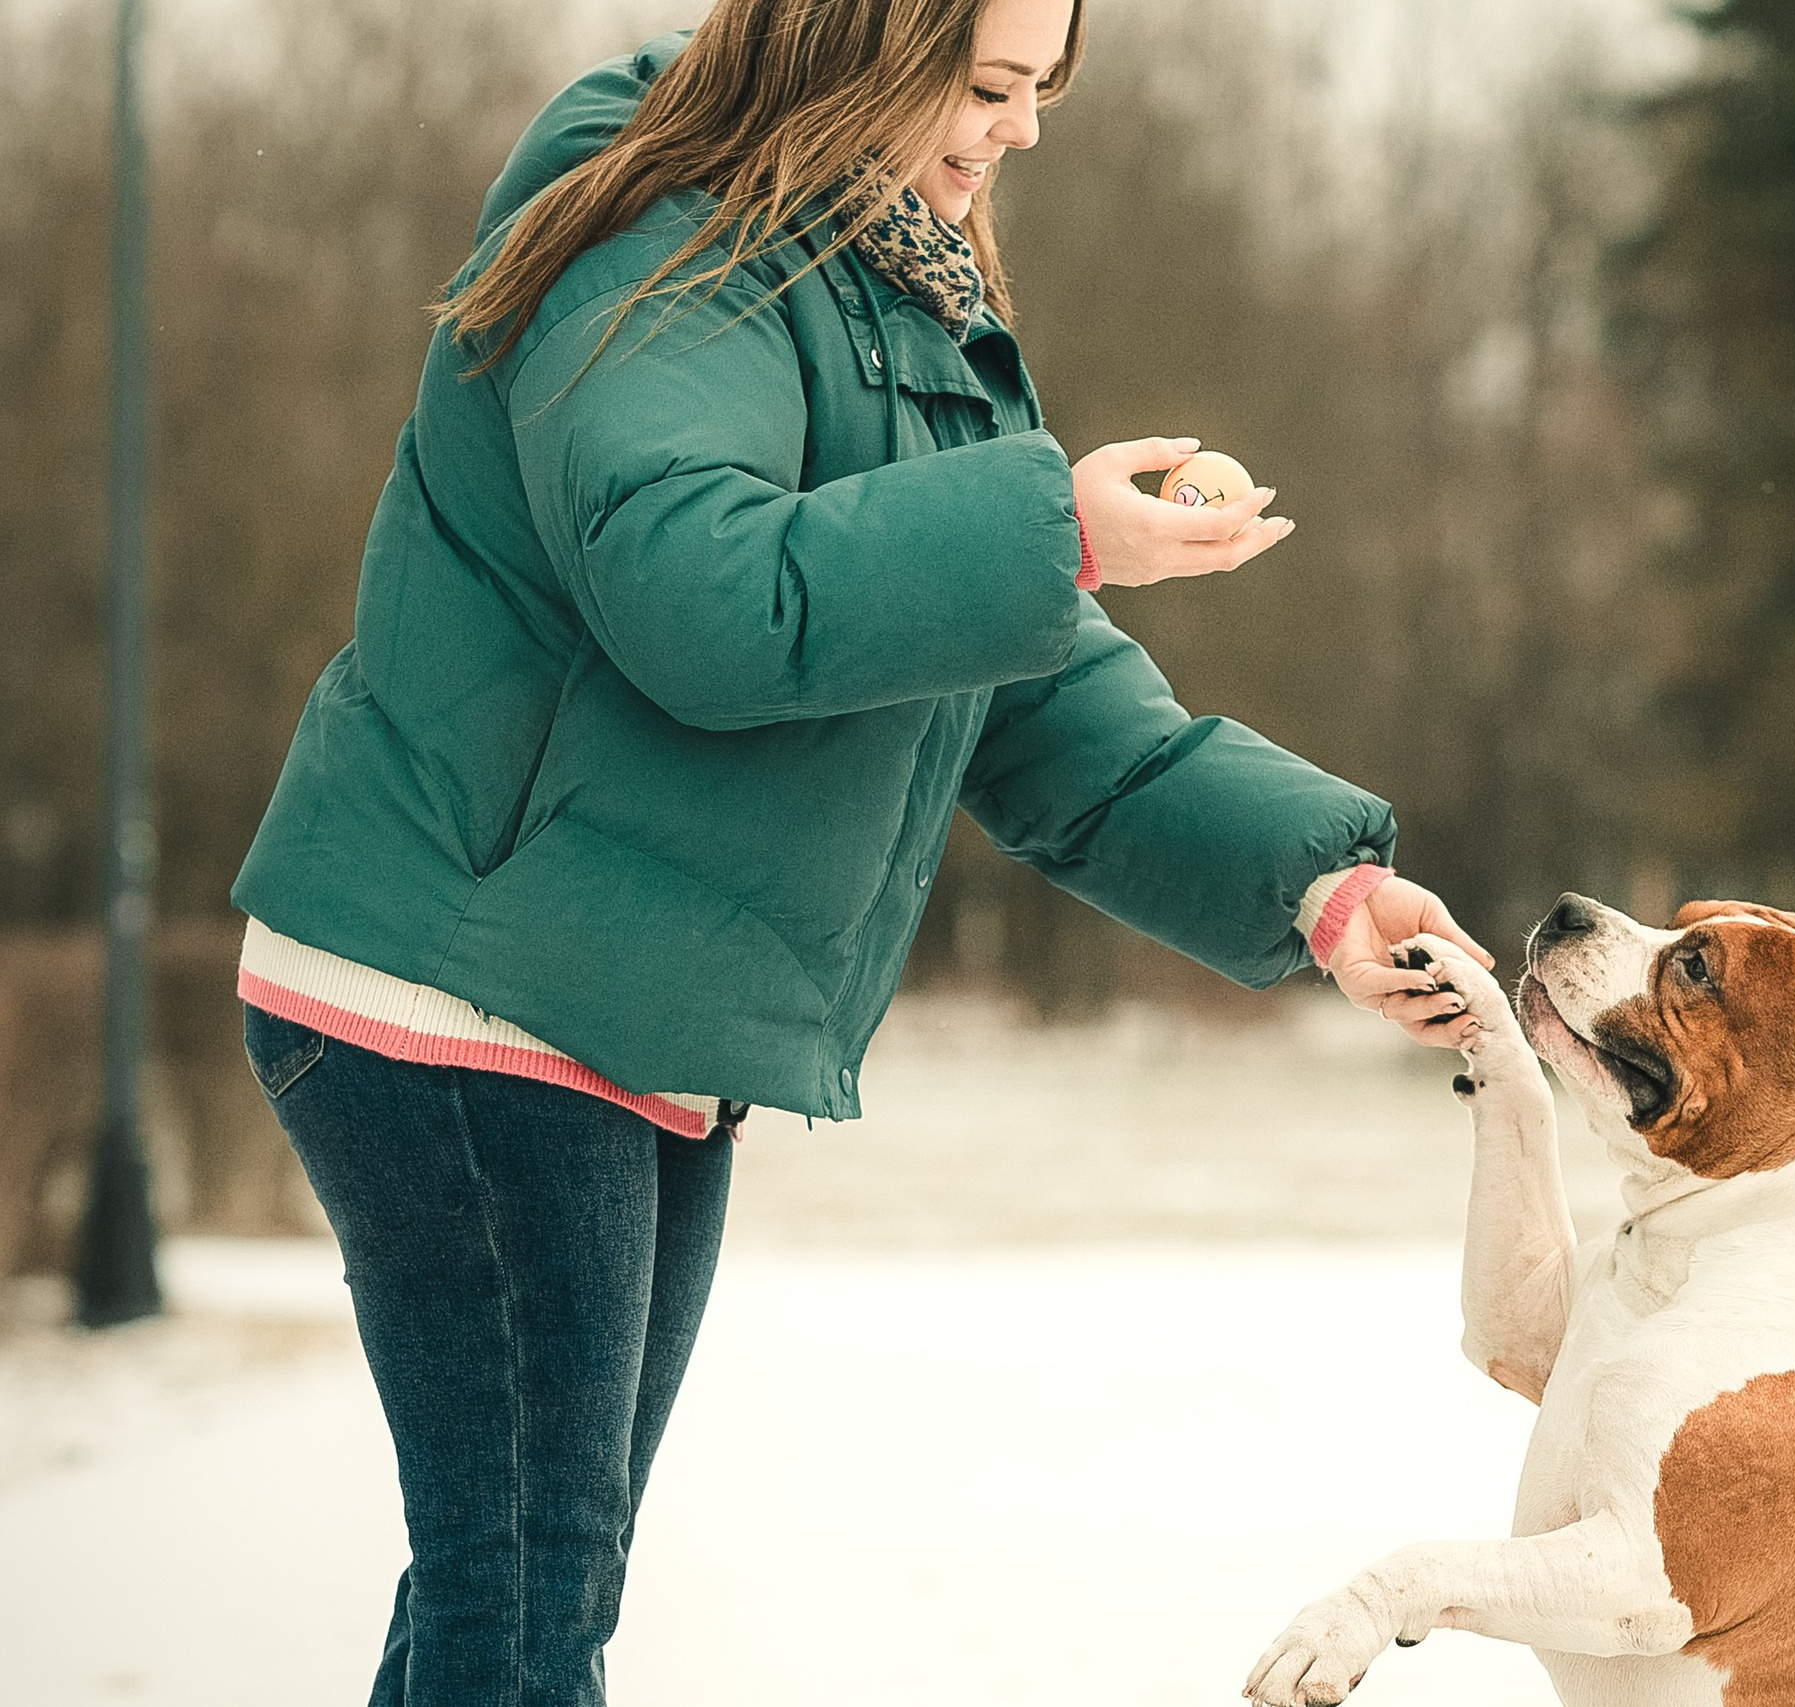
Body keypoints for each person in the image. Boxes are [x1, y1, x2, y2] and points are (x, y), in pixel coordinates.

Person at [229, 1, 1491, 1699]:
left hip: (611, 1010)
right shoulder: (661, 234)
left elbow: (1027, 696)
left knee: (525, 1574)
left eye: (1044, 89)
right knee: (525, 1582)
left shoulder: (900, 291)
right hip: (464, 994)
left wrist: (1319, 888)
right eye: (987, 87)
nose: (1024, 130)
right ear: (857, 46)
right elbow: (704, 590)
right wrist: (1058, 526)